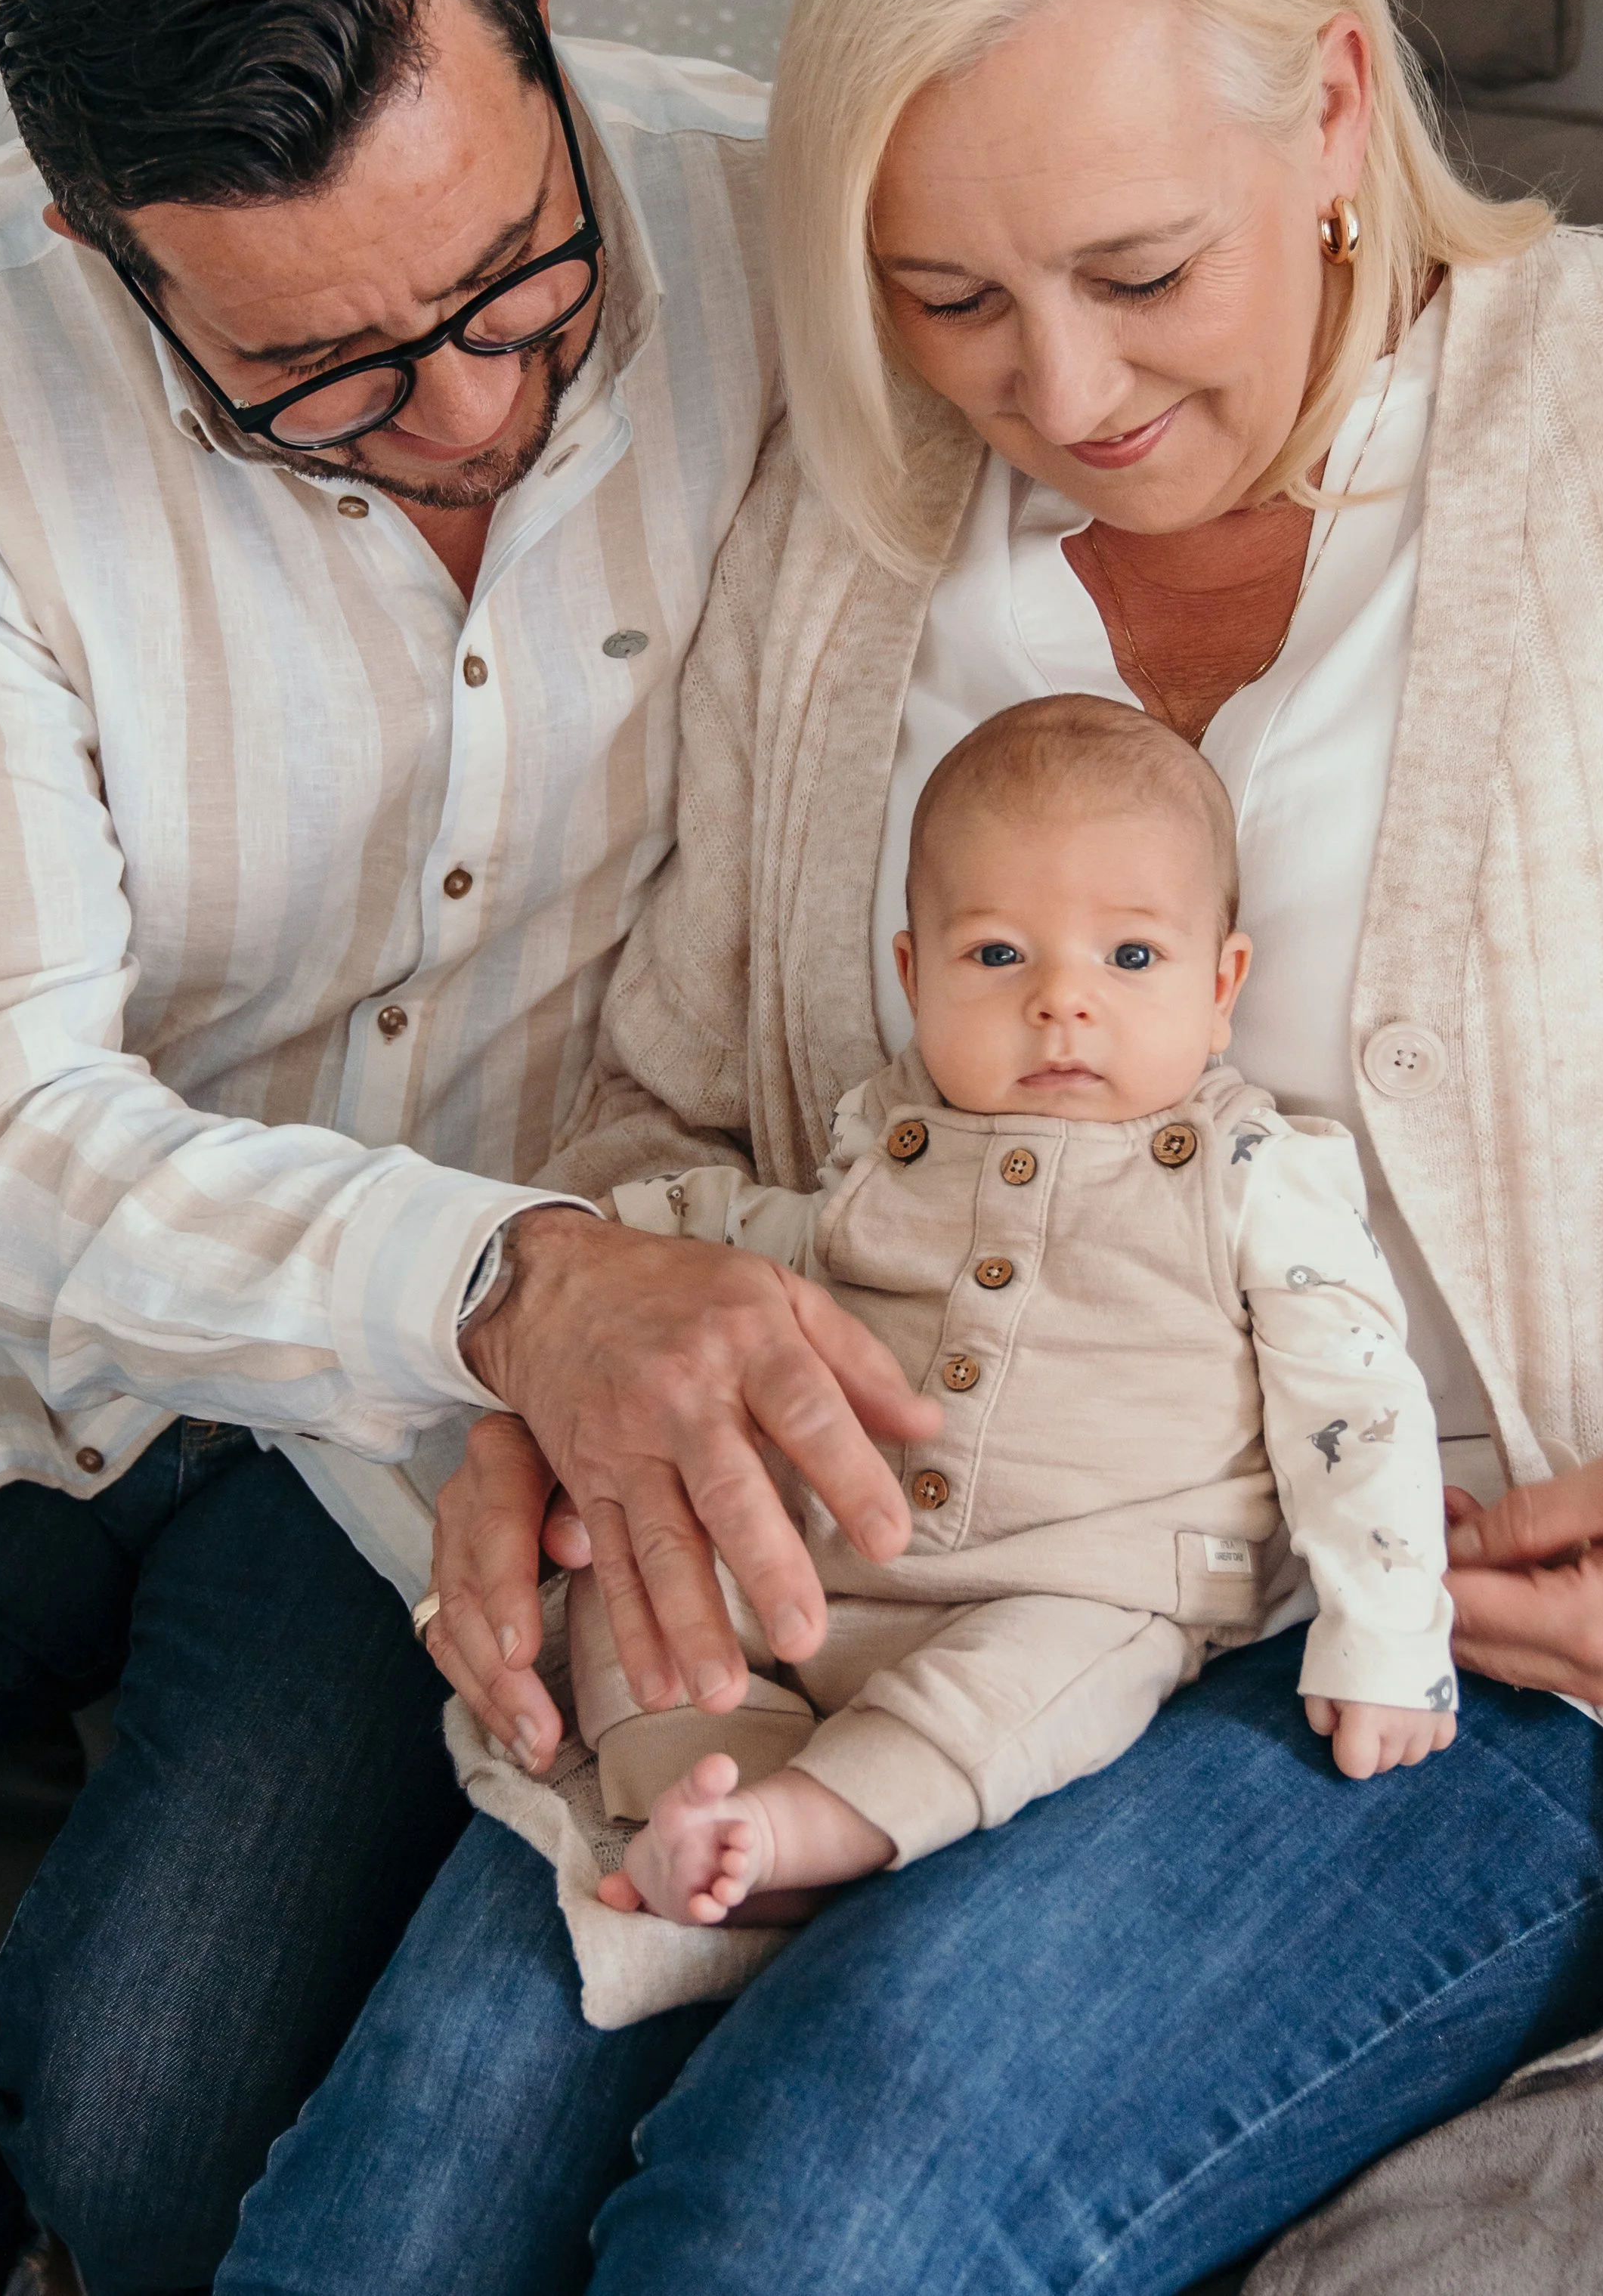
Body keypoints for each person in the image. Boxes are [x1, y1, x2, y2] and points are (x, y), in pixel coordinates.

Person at [217, 0, 1603, 2296]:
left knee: (818, 2203)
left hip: (1438, 1641)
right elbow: (666, 1097)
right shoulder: (852, 528)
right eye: (945, 294)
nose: (1062, 392)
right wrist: (545, 1378)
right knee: (394, 2207)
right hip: (875, 1559)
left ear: (1339, 109)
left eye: (1144, 273)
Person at [0, 0, 936, 2296]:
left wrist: (533, 1319)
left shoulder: (789, 230)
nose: (467, 408)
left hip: (410, 1425)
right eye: (320, 379)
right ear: (109, 249)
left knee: (143, 2123)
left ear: (535, 24)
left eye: (517, 283)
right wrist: (522, 1282)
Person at [568, 693, 1453, 1945]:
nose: (1062, 1004)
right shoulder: (890, 1133)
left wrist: (1387, 1636)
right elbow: (787, 1248)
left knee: (1031, 1695)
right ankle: (698, 1792)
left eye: (1130, 958)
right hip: (822, 1547)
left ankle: (799, 1835)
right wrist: (613, 1240)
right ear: (912, 974)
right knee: (630, 1547)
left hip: (1086, 1580)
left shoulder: (1253, 1170)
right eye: (997, 956)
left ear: (1222, 984)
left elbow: (1357, 1403)